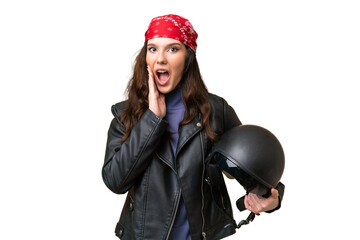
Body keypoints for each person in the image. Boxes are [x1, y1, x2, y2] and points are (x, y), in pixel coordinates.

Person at [102, 14, 284, 240]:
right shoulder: (124, 115)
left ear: (188, 56)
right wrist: (152, 119)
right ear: (145, 58)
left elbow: (253, 163)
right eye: (152, 49)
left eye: (172, 49)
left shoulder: (216, 111)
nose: (160, 59)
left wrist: (269, 197)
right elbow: (115, 181)